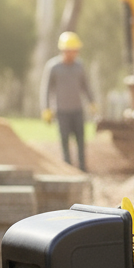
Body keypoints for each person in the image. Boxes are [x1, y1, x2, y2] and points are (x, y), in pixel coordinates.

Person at [41, 31, 94, 171]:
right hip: (61, 111)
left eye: (75, 51)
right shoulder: (53, 67)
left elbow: (86, 86)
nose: (73, 53)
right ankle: (68, 169)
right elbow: (45, 89)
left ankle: (82, 168)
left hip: (77, 110)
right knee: (64, 141)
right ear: (63, 50)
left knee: (81, 141)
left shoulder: (79, 67)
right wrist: (46, 109)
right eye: (71, 51)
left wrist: (92, 102)